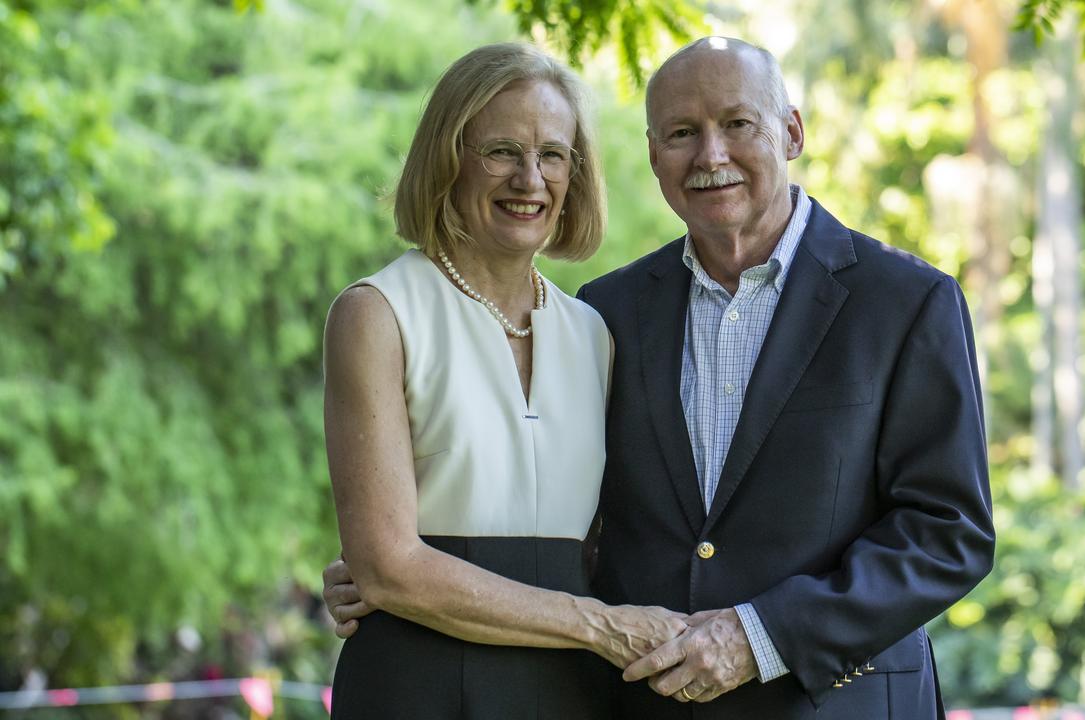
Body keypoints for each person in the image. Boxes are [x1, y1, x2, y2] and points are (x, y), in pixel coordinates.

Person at [326, 37, 995, 719]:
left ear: (791, 131)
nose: (711, 155)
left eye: (737, 124)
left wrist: (760, 636)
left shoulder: (907, 302)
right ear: (653, 156)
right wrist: (396, 568)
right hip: (630, 700)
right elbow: (588, 520)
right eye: (682, 133)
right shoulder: (611, 313)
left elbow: (949, 532)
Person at [320, 43, 687, 720]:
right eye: (501, 151)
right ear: (446, 158)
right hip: (416, 683)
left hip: (571, 692)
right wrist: (598, 625)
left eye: (552, 154)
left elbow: (616, 541)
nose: (530, 179)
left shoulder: (594, 334)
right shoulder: (377, 314)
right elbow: (388, 566)